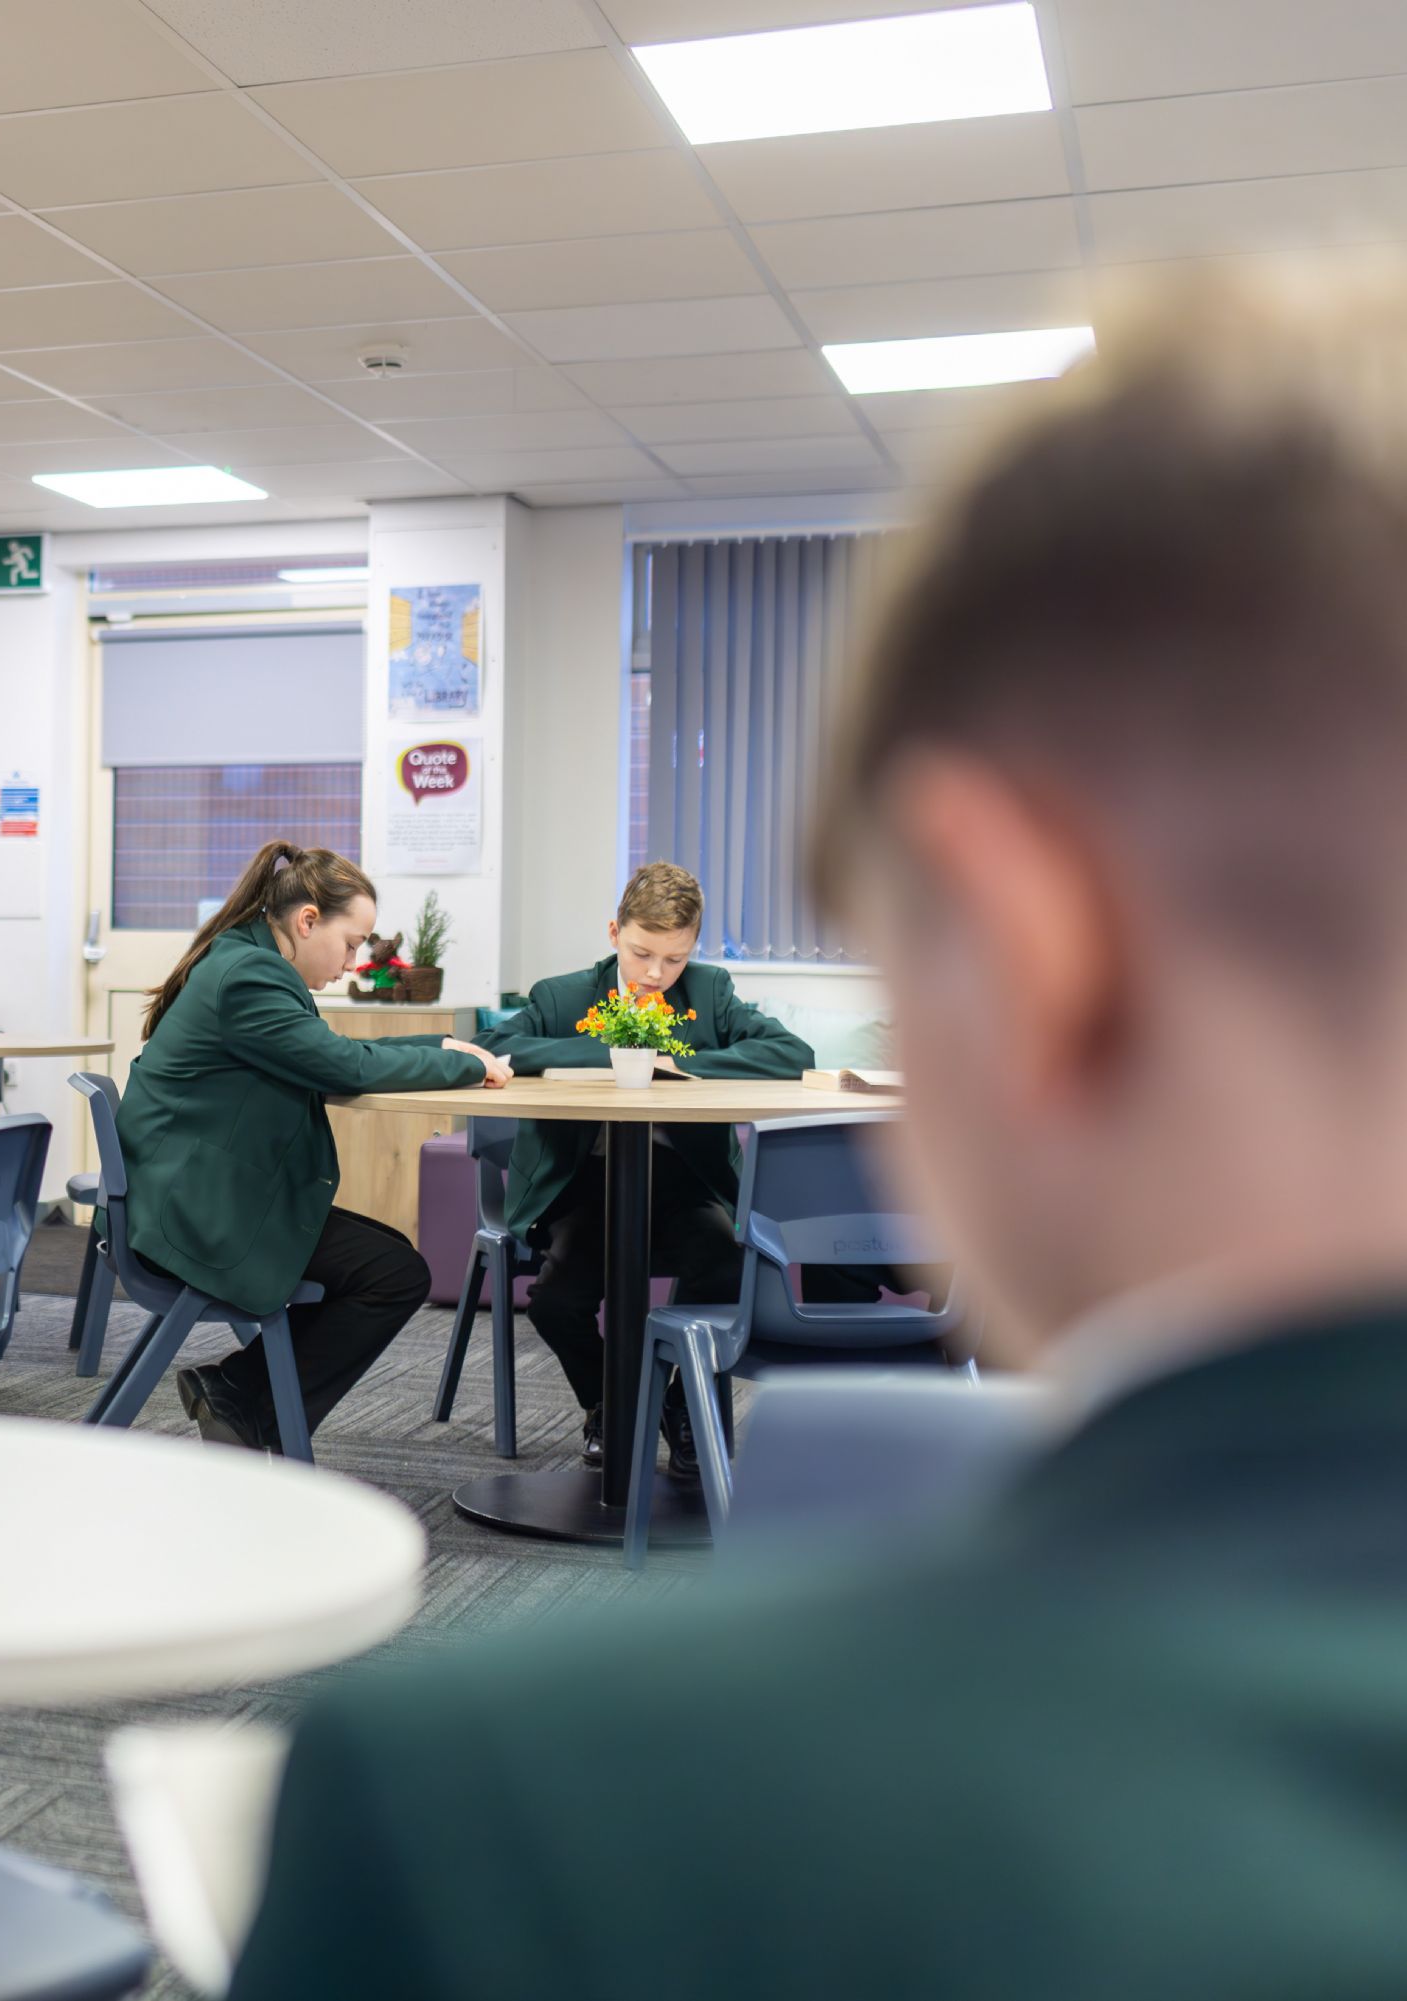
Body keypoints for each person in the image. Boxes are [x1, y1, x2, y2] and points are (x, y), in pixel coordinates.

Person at [228, 267, 1407, 1997]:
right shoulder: (568, 988)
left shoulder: (500, 1817)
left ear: (1022, 942)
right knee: (576, 1283)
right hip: (584, 1206)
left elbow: (765, 1046)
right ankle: (635, 1440)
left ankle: (658, 1446)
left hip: (694, 1219)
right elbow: (522, 1039)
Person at [118, 841, 511, 1453]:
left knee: (390, 1257)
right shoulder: (249, 977)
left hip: (197, 1189)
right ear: (307, 921)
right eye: (351, 944)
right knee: (395, 1275)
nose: (353, 962)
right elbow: (343, 1066)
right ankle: (249, 1406)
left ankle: (238, 1393)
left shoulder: (249, 960)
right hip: (192, 1211)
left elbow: (324, 1051)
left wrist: (440, 1047)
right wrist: (461, 1065)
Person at [477, 862, 812, 1474]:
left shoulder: (709, 992)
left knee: (731, 1270)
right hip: (581, 1185)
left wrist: (680, 1063)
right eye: (641, 953)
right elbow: (501, 1049)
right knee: (555, 1303)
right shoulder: (561, 995)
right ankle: (613, 1403)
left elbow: (793, 1052)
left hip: (684, 1181)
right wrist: (614, 1053)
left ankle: (683, 1407)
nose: (656, 974)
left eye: (675, 959)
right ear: (614, 933)